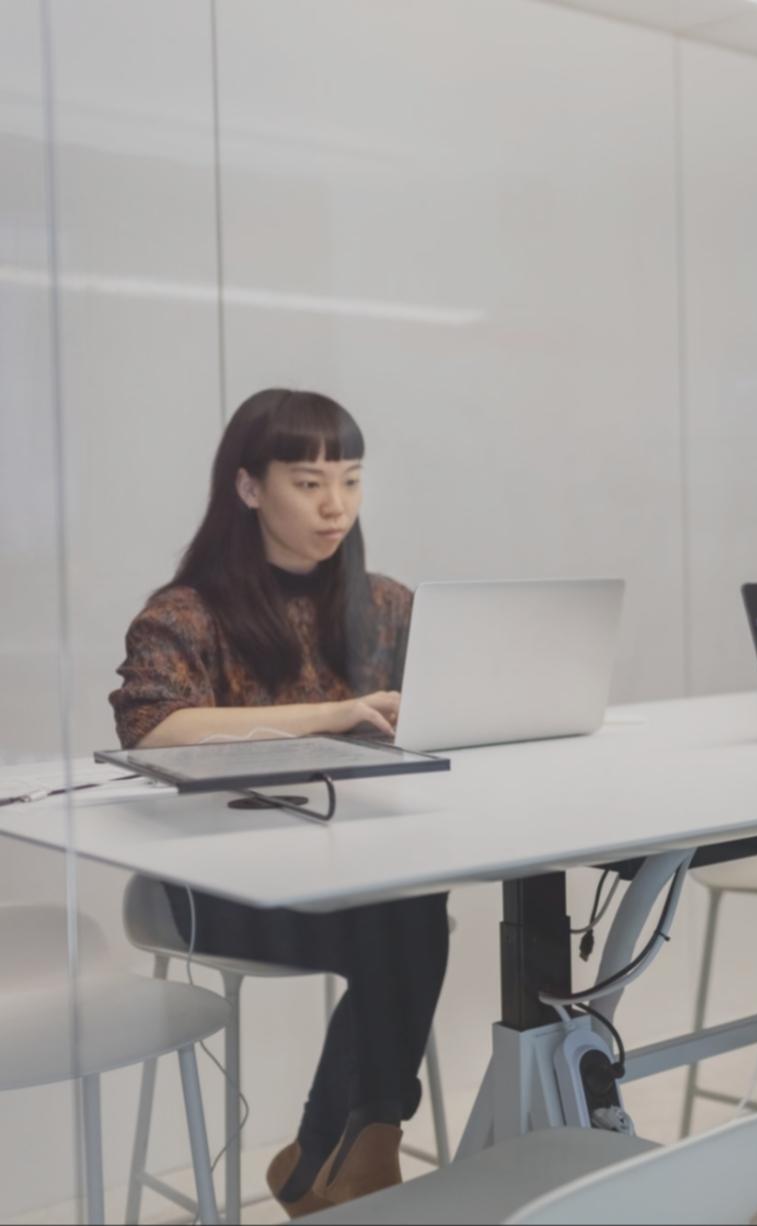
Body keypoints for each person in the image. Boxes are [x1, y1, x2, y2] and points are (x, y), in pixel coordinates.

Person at [109, 389, 447, 1218]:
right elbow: (153, 728)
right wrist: (330, 715)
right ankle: (347, 1159)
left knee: (409, 906)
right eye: (308, 483)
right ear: (250, 487)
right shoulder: (187, 613)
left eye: (351, 481)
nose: (336, 506)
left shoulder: (389, 606)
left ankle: (335, 1159)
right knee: (406, 916)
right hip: (214, 888)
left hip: (354, 875)